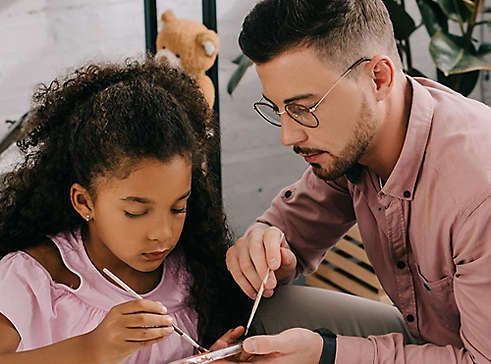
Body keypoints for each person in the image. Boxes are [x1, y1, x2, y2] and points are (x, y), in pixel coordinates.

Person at [224, 0, 491, 363]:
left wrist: (330, 355)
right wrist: (268, 247)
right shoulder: (356, 147)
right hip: (430, 339)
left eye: (304, 108)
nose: (288, 136)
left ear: (379, 78)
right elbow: (292, 225)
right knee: (264, 314)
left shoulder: (478, 190)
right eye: (279, 109)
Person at [0, 58, 249, 364]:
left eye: (178, 207)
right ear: (84, 202)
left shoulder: (190, 272)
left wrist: (210, 358)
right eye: (135, 212)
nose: (162, 233)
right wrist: (90, 349)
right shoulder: (35, 277)